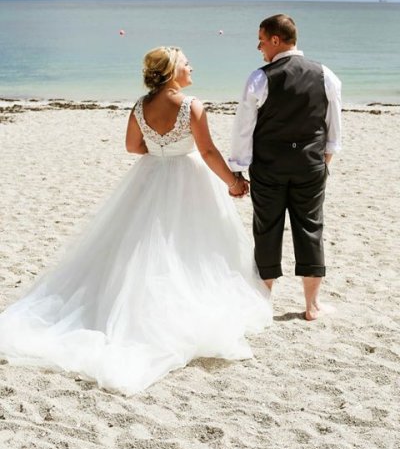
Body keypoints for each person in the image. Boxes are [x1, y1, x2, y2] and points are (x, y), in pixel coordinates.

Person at [0, 46, 272, 395]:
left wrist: (159, 151)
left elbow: (132, 146)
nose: (192, 67)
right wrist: (233, 182)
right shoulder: (192, 106)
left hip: (150, 176)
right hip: (190, 180)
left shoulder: (140, 106)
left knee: (141, 242)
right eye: (186, 63)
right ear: (172, 71)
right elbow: (206, 151)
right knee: (192, 245)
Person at [229, 15, 341, 321]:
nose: (259, 47)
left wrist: (238, 170)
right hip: (310, 166)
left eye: (261, 40)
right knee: (311, 228)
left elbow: (243, 129)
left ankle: (263, 303)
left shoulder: (259, 78)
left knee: (267, 229)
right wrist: (323, 163)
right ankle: (312, 306)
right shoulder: (325, 75)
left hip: (269, 168)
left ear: (276, 40)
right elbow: (333, 127)